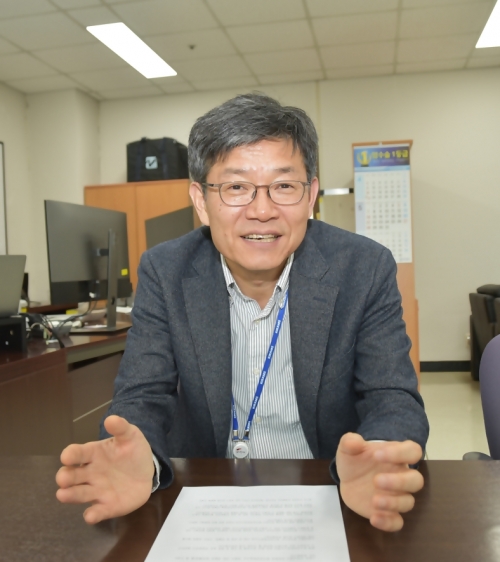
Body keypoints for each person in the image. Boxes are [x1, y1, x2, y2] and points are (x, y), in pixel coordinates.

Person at [56, 93, 429, 533]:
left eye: (284, 186)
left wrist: (377, 458)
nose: (262, 210)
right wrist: (147, 462)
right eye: (235, 187)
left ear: (310, 195)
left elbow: (393, 397)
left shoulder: (363, 267)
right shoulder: (165, 270)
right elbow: (142, 396)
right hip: (209, 496)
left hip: (328, 492)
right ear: (200, 199)